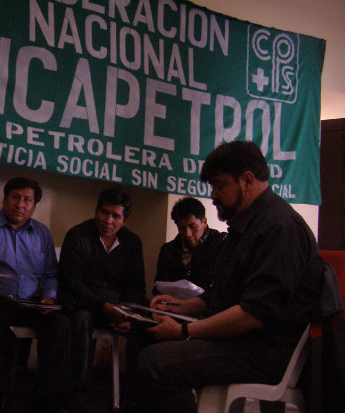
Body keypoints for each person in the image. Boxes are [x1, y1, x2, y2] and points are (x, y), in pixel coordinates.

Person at [136, 141, 323, 413]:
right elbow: (225, 292)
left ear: (247, 180)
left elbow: (255, 313)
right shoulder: (246, 225)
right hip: (242, 340)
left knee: (155, 363)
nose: (213, 195)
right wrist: (179, 307)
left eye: (219, 185)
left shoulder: (280, 228)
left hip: (264, 352)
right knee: (145, 334)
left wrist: (184, 330)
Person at [0, 177, 71, 413]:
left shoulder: (42, 233)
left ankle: (47, 402)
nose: (20, 204)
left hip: (32, 303)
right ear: (4, 198)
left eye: (27, 200)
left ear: (34, 206)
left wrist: (49, 296)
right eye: (15, 197)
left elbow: (50, 273)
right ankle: (0, 399)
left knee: (60, 325)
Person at [56, 187, 146, 403]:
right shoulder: (77, 235)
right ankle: (75, 395)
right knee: (81, 319)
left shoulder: (132, 243)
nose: (108, 220)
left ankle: (136, 398)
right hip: (81, 303)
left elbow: (136, 288)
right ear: (96, 211)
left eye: (116, 216)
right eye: (104, 212)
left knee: (148, 324)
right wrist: (103, 305)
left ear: (125, 220)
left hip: (117, 307)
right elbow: (71, 283)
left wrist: (129, 316)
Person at [155, 196, 226, 292]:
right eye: (182, 228)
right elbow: (159, 286)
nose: (187, 234)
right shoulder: (168, 250)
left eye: (192, 226)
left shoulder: (221, 244)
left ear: (204, 222)